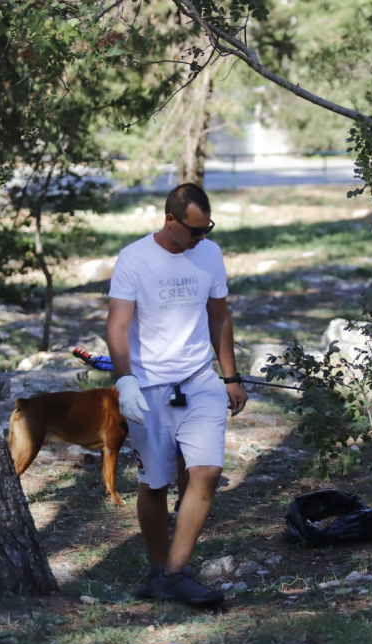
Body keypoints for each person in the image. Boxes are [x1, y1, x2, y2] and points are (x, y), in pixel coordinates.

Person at [107, 183, 248, 608]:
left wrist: (231, 376)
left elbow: (219, 316)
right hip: (149, 387)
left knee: (206, 471)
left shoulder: (210, 254)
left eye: (208, 228)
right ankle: (157, 570)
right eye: (194, 230)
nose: (201, 237)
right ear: (170, 221)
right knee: (154, 483)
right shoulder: (134, 258)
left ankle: (176, 573)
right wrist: (125, 381)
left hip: (198, 380)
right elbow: (117, 326)